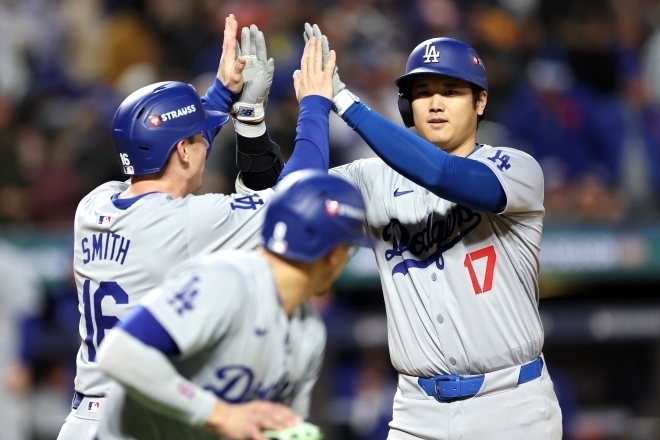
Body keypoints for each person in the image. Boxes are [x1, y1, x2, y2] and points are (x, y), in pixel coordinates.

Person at [244, 24, 563, 439]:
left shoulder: (515, 167)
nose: (435, 103)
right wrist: (254, 121)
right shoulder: (370, 178)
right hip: (417, 412)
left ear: (480, 101)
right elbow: (285, 202)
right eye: (423, 92)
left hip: (512, 405)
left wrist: (344, 101)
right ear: (406, 103)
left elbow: (442, 173)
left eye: (451, 91)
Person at [57, 15, 337, 440]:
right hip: (141, 419)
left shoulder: (93, 204)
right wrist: (315, 104)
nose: (207, 141)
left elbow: (166, 149)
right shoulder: (192, 221)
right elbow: (302, 192)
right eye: (197, 138)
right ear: (183, 152)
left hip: (82, 421)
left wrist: (224, 92)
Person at [91, 170, 372, 440]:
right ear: (335, 255)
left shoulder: (309, 331)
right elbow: (119, 353)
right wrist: (221, 415)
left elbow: (279, 426)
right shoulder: (226, 281)